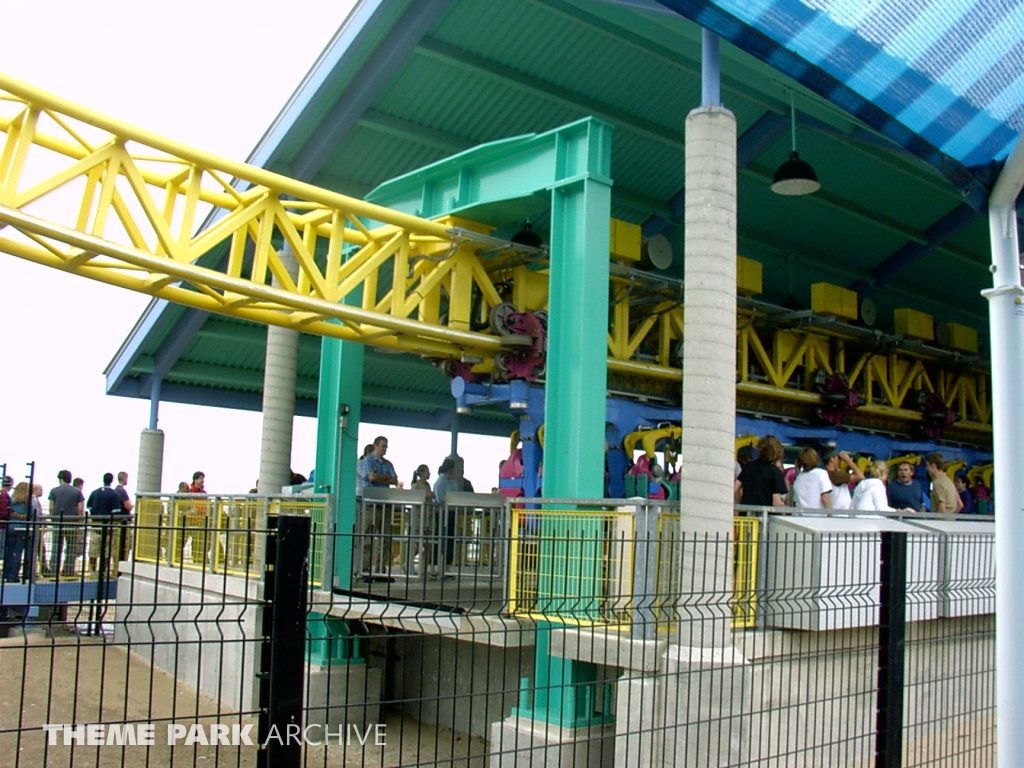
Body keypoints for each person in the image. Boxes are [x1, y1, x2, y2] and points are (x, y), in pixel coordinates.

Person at [48, 469, 85, 577]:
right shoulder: (77, 492)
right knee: (71, 547)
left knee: (56, 547)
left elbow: (51, 508)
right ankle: (69, 571)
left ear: (60, 479)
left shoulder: (54, 491)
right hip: (72, 522)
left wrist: (52, 519)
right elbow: (80, 509)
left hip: (58, 522)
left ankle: (54, 571)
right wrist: (78, 521)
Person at [734, 435, 787, 506]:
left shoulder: (748, 467)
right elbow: (776, 502)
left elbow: (735, 489)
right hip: (764, 512)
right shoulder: (776, 473)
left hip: (746, 511)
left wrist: (740, 503)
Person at [86, 473, 122, 573]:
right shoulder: (114, 494)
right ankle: (104, 571)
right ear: (112, 481)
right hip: (108, 528)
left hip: (95, 526)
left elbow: (89, 507)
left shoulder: (94, 493)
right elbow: (116, 511)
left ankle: (93, 570)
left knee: (93, 550)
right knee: (107, 551)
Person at [3, 481, 32, 583]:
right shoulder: (27, 501)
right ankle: (14, 575)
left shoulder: (11, 499)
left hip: (11, 527)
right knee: (18, 552)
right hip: (22, 529)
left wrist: (15, 515)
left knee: (10, 552)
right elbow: (30, 515)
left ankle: (7, 574)